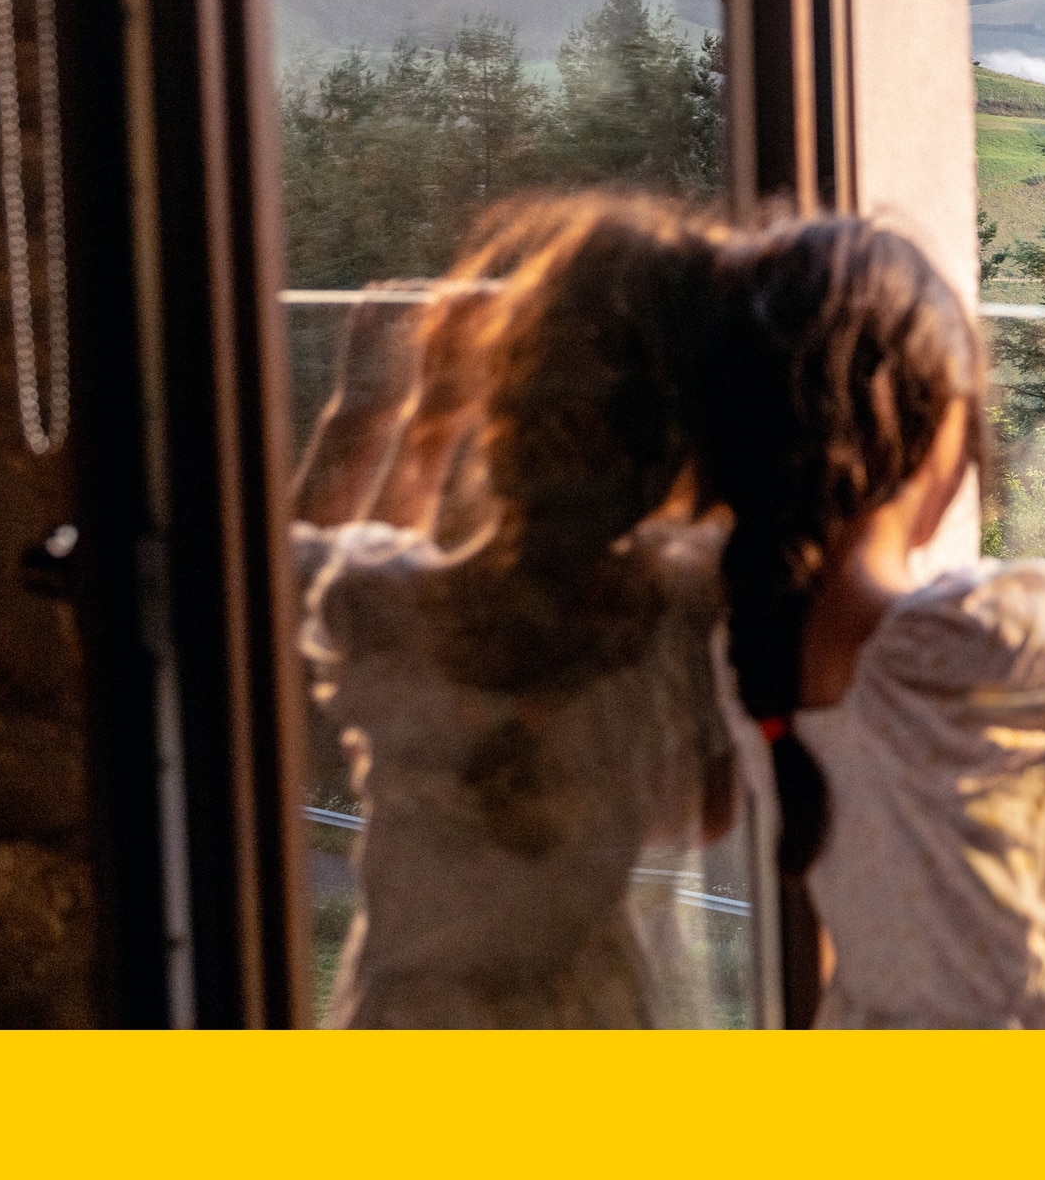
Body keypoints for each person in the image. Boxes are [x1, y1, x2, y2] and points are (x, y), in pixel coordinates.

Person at [695, 214, 1045, 1027]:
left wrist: (1026, 760)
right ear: (931, 430)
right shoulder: (966, 641)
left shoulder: (752, 647)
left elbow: (914, 806)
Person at [287, 195, 741, 1027]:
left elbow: (288, 583)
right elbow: (707, 812)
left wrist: (393, 416)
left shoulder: (384, 605)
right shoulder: (688, 615)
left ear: (502, 417)